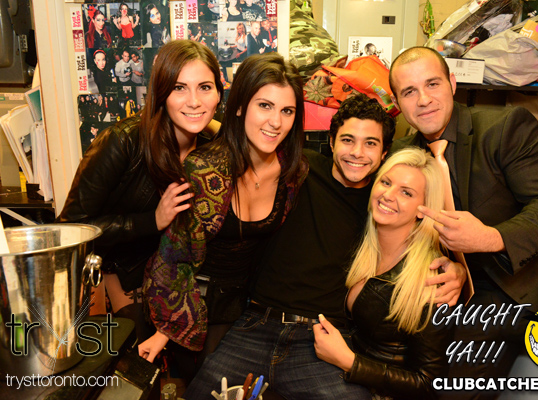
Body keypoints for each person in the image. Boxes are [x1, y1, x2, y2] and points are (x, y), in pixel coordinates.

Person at [186, 94, 465, 399]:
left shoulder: (383, 203)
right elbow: (248, 138)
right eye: (347, 140)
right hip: (256, 324)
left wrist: (458, 268)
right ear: (331, 142)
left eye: (370, 143)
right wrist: (199, 117)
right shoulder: (298, 169)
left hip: (322, 338)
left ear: (384, 153)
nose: (357, 153)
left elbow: (419, 239)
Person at [388, 46, 538, 399]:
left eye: (432, 84)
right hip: (482, 301)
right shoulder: (403, 158)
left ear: (452, 83)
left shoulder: (505, 127)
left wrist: (489, 238)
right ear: (397, 102)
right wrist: (453, 267)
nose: (423, 99)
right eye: (409, 91)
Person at [140, 53, 309, 382]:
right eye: (265, 106)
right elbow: (176, 257)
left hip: (252, 307)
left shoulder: (293, 171)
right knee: (211, 383)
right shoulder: (204, 169)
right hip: (196, 305)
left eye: (287, 111)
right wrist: (167, 331)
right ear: (241, 106)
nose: (276, 122)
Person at [58, 40, 223, 344]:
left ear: (218, 93)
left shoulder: (215, 148)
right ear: (161, 93)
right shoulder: (123, 142)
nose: (194, 101)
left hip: (183, 277)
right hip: (121, 274)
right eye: (179, 88)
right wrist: (151, 220)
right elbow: (70, 229)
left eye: (205, 87)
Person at [314, 147, 451, 399]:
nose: (388, 195)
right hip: (344, 383)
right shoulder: (360, 245)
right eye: (386, 182)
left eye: (406, 192)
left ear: (423, 209)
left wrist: (349, 361)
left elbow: (429, 384)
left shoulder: (431, 278)